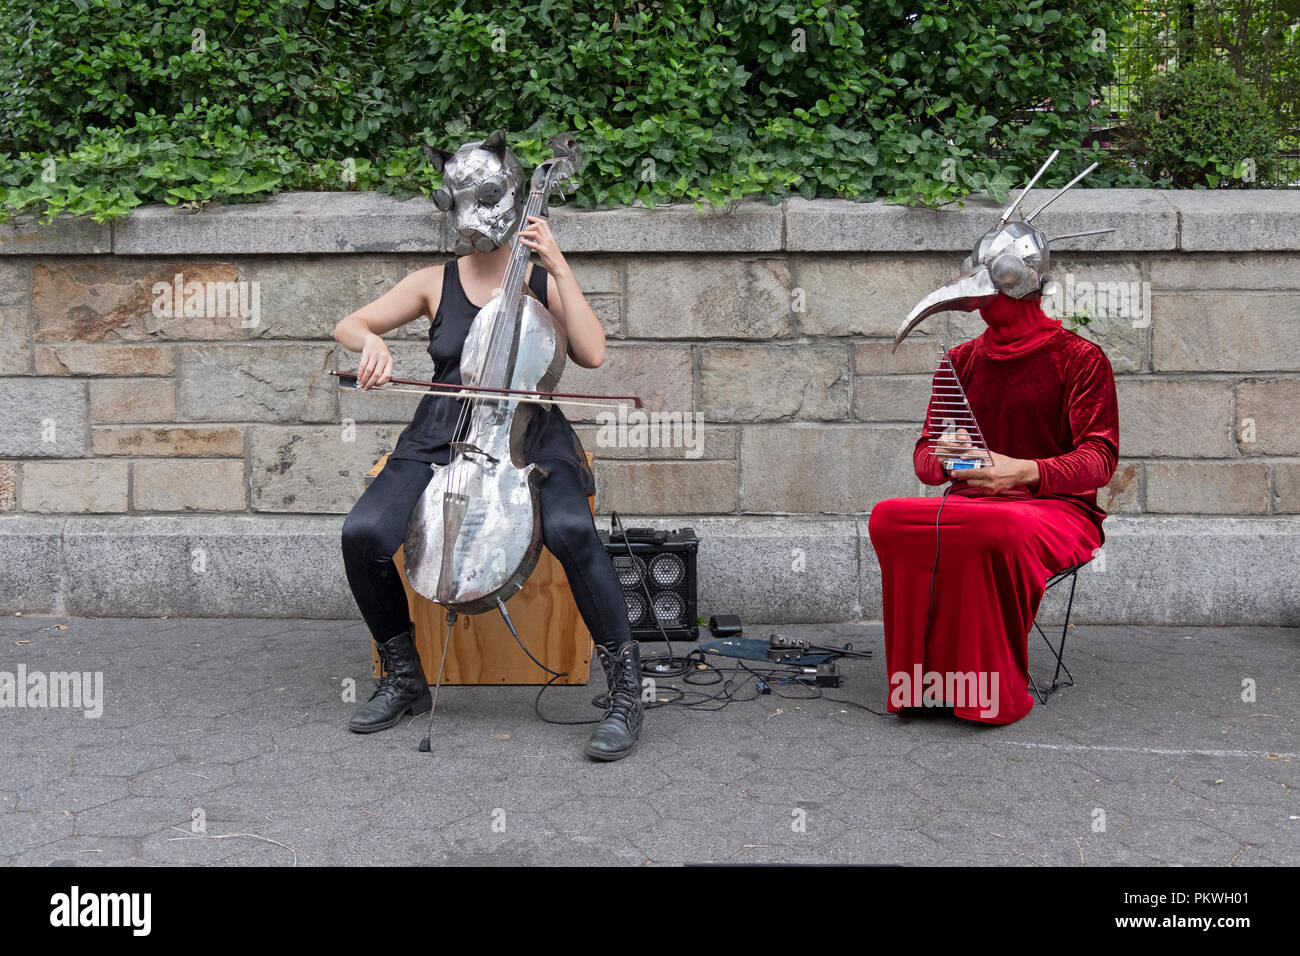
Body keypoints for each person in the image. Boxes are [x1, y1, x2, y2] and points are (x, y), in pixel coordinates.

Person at [333, 131, 644, 761]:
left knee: (571, 530)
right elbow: (351, 322)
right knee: (363, 532)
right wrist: (369, 343)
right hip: (441, 429)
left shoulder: (537, 276)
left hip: (529, 432)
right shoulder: (433, 282)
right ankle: (404, 676)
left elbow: (592, 352)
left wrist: (558, 265)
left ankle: (626, 691)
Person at [867, 167, 1119, 724]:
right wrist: (947, 455)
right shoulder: (960, 362)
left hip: (1056, 510)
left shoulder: (1079, 359)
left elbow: (1098, 461)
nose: (978, 302)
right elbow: (926, 464)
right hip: (972, 507)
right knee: (888, 517)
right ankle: (927, 687)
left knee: (998, 527)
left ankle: (985, 693)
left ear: (1019, 281)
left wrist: (1021, 472)